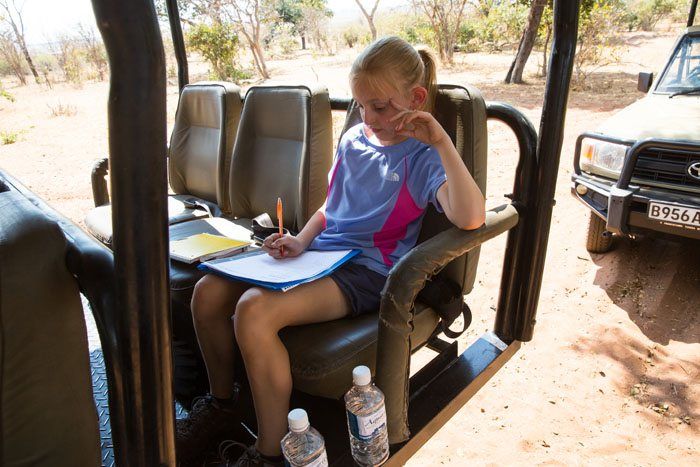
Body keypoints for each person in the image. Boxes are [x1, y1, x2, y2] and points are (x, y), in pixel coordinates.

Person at [176, 36, 486, 466]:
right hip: (321, 254)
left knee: (254, 310)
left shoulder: (424, 157)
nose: (367, 116)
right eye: (361, 105)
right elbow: (331, 206)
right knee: (207, 293)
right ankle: (221, 402)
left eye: (379, 106)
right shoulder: (355, 139)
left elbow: (470, 217)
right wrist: (301, 239)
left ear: (415, 99)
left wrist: (442, 143)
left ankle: (268, 451)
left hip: (368, 271)